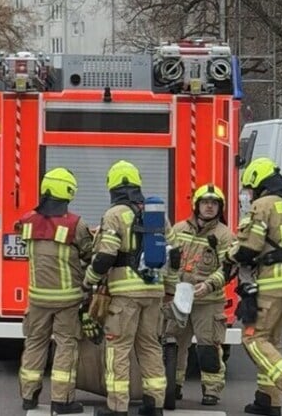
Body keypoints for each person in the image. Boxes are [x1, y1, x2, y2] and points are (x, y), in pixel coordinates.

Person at [84, 160, 169, 416]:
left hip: (125, 293)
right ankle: (155, 404)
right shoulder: (156, 214)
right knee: (150, 347)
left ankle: (117, 407)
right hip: (154, 290)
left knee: (118, 348)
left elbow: (106, 256)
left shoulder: (114, 214)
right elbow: (173, 253)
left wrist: (89, 278)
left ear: (113, 186)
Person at [231, 157, 282, 416]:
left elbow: (250, 247)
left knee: (253, 338)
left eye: (250, 188)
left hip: (272, 282)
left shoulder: (263, 205)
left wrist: (230, 254)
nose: (250, 194)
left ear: (257, 182)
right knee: (272, 340)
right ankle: (267, 399)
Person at [16, 168, 93, 414]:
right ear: (69, 191)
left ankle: (29, 396)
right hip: (67, 299)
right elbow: (89, 253)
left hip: (37, 297)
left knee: (35, 344)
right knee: (65, 346)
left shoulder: (27, 220)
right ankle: (61, 400)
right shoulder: (76, 223)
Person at [160, 183, 234, 406]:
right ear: (197, 205)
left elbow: (229, 267)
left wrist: (210, 285)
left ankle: (211, 390)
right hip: (179, 298)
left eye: (214, 203)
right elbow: (167, 257)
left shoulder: (224, 235)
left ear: (219, 208)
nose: (209, 207)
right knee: (173, 343)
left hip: (208, 301)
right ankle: (174, 386)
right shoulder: (180, 229)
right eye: (205, 202)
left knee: (208, 346)